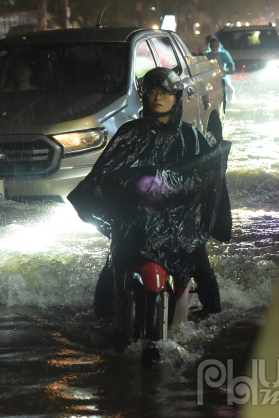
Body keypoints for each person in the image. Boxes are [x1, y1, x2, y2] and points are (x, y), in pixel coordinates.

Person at [68, 67, 231, 322]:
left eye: (164, 92)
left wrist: (175, 187)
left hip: (178, 222)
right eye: (153, 92)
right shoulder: (129, 134)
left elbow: (207, 177)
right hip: (135, 219)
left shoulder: (191, 137)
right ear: (144, 96)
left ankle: (212, 315)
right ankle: (102, 319)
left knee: (199, 263)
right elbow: (105, 174)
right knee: (112, 268)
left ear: (175, 97)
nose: (158, 97)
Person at [204, 36, 235, 105]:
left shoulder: (223, 55)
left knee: (230, 90)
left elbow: (230, 65)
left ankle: (229, 104)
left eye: (216, 46)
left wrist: (226, 71)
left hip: (221, 77)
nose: (214, 48)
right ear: (210, 46)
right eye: (212, 46)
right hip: (209, 78)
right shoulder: (206, 55)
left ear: (218, 46)